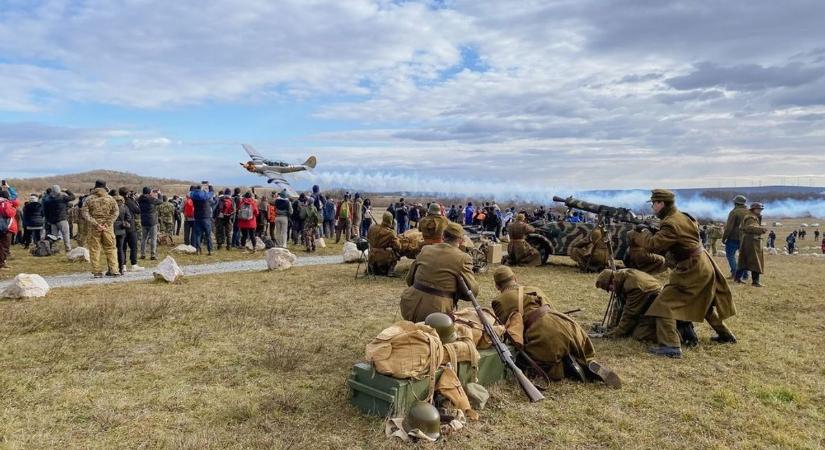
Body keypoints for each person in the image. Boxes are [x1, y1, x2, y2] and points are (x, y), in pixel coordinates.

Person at [636, 189, 736, 358]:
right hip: (703, 263)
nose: (652, 207)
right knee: (704, 303)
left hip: (691, 268)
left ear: (661, 203)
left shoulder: (670, 223)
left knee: (663, 305)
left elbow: (653, 245)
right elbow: (680, 239)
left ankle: (670, 346)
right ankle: (726, 335)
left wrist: (643, 233)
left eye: (653, 203)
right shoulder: (684, 216)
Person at [491, 266, 620, 387]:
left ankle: (566, 368)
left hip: (543, 333)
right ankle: (586, 362)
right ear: (515, 278)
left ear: (497, 286)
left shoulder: (499, 301)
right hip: (568, 325)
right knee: (572, 348)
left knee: (529, 364)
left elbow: (508, 330)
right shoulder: (535, 288)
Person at [399, 222, 479, 322]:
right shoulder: (463, 258)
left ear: (443, 236)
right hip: (437, 312)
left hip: (409, 304)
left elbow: (409, 279)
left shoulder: (425, 249)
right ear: (461, 240)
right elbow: (472, 292)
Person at [82, 180, 119, 277]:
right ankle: (114, 270)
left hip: (94, 228)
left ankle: (97, 272)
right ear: (105, 187)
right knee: (111, 248)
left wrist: (96, 224)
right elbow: (115, 212)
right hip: (108, 228)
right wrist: (107, 224)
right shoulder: (110, 198)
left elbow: (85, 213)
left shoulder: (88, 199)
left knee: (94, 249)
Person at [735, 202, 766, 287]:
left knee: (744, 260)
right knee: (755, 261)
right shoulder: (751, 218)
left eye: (760, 209)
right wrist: (761, 230)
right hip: (752, 241)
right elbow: (749, 228)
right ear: (753, 209)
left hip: (750, 241)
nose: (760, 210)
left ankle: (737, 278)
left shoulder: (752, 216)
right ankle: (755, 282)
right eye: (758, 209)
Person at [42, 184, 76, 253]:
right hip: (62, 219)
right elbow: (73, 197)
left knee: (54, 236)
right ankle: (68, 250)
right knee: (66, 235)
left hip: (53, 221)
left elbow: (45, 211)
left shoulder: (48, 200)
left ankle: (53, 249)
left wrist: (48, 220)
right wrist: (67, 190)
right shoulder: (62, 198)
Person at [722, 195, 749, 279]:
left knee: (730, 255)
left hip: (734, 238)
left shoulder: (734, 212)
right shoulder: (749, 212)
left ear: (736, 203)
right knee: (744, 256)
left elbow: (729, 227)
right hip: (746, 237)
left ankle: (735, 273)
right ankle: (745, 275)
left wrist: (724, 238)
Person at [367, 211, 402, 276]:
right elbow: (398, 246)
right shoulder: (390, 233)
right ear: (390, 220)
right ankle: (390, 271)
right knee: (396, 253)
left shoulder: (372, 227)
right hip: (382, 255)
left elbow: (368, 238)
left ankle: (371, 269)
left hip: (371, 254)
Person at [118, 187, 143, 272]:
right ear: (127, 194)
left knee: (122, 247)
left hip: (119, 227)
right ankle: (134, 264)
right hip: (130, 227)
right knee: (133, 246)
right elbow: (138, 210)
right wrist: (134, 200)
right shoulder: (129, 201)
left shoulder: (117, 201)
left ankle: (123, 265)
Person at [190, 182, 215, 255]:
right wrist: (209, 185)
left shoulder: (193, 195)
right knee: (208, 235)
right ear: (201, 189)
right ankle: (210, 250)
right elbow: (212, 192)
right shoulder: (205, 195)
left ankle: (197, 250)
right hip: (206, 217)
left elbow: (190, 192)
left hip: (197, 217)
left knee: (197, 235)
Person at [112, 190, 132, 275]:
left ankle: (112, 268)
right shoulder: (124, 207)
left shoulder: (111, 207)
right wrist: (124, 222)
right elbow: (129, 217)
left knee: (112, 249)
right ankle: (121, 268)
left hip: (112, 229)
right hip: (122, 229)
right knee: (120, 249)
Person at [0, 190, 20, 270]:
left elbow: (16, 201)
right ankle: (2, 263)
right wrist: (14, 209)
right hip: (6, 228)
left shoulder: (3, 202)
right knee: (5, 246)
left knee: (1, 246)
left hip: (2, 227)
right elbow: (9, 214)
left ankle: (2, 262)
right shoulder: (5, 203)